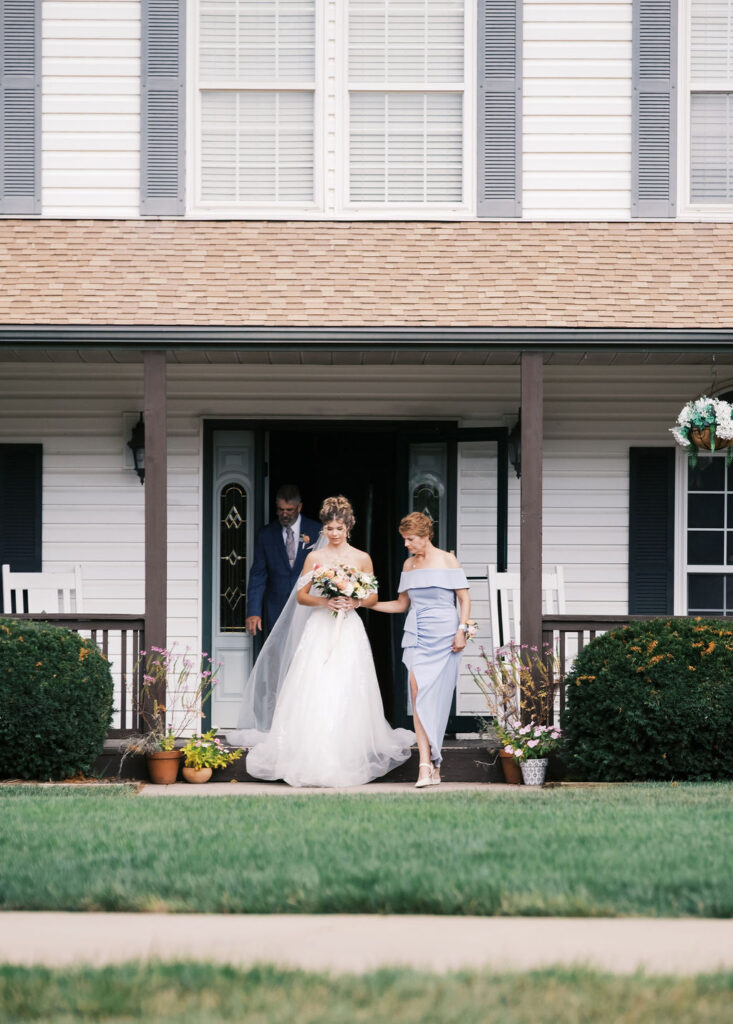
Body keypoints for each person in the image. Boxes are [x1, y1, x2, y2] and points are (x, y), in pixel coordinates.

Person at [240, 496, 415, 788]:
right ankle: (310, 751)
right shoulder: (314, 558)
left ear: (349, 526)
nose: (334, 533)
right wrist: (327, 600)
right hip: (320, 626)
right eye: (329, 528)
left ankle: (347, 752)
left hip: (349, 628)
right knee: (316, 684)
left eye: (339, 528)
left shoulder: (362, 558)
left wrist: (353, 599)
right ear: (323, 528)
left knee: (347, 685)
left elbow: (372, 597)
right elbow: (301, 596)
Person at [373, 512, 470, 788]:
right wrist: (366, 604)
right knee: (417, 694)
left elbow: (464, 598)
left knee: (436, 701)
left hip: (446, 636)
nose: (406, 544)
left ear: (426, 536)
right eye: (404, 539)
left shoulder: (447, 560)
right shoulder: (408, 565)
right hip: (418, 634)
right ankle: (424, 765)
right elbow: (401, 604)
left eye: (410, 539)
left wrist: (461, 630)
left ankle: (437, 762)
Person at [245, 484, 321, 637]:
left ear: (299, 507)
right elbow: (258, 575)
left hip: (308, 607)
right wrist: (253, 611)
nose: (284, 514)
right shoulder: (266, 534)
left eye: (289, 510)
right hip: (276, 608)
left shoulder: (317, 531)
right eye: (281, 510)